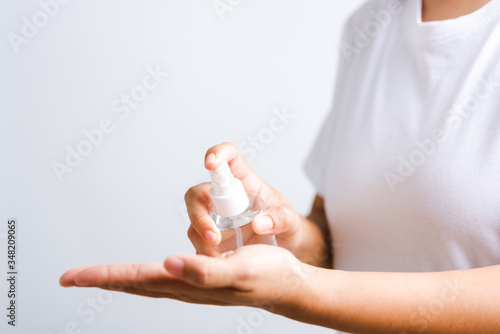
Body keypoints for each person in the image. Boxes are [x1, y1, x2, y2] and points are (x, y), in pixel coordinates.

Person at [60, 0, 500, 332]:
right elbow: (338, 244)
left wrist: (300, 290)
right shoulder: (370, 24)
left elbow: (319, 284)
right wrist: (283, 238)